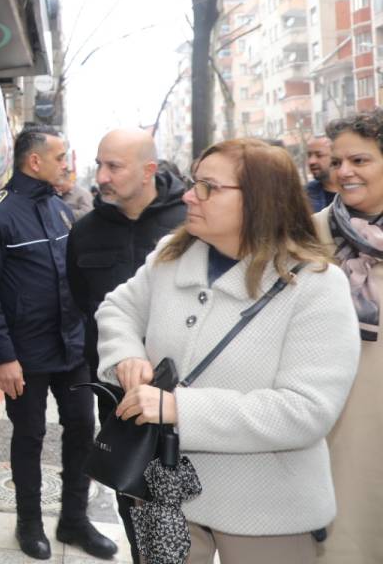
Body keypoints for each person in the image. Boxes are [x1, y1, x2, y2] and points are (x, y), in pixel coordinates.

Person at [96, 139, 359, 564]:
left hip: (268, 508)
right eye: (192, 183)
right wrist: (126, 354)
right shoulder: (172, 254)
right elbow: (118, 308)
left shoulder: (316, 284)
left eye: (207, 187)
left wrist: (179, 408)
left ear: (259, 200)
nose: (187, 195)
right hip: (165, 493)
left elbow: (307, 410)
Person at [0, 125, 117, 560]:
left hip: (71, 348)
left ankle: (74, 521)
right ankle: (28, 524)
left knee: (81, 431)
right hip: (25, 356)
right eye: (59, 156)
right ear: (35, 161)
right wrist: (4, 357)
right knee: (29, 436)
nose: (66, 165)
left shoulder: (60, 209)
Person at [66, 129, 187, 563]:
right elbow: (86, 301)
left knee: (185, 496)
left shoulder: (190, 223)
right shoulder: (85, 230)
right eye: (99, 164)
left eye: (114, 166)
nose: (102, 176)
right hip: (119, 387)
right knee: (128, 482)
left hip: (189, 391)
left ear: (149, 170)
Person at [311, 113, 383, 562]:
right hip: (337, 421)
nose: (344, 171)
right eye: (337, 161)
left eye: (359, 159)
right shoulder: (311, 233)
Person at [304, 135, 337, 212]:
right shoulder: (305, 195)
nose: (311, 161)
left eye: (319, 155)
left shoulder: (354, 192)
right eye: (309, 155)